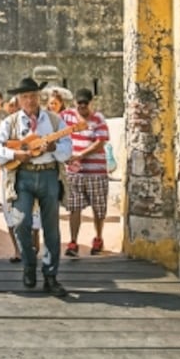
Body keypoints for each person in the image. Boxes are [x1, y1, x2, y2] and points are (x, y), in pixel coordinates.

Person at [0, 77, 72, 297]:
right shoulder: (11, 122)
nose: (30, 100)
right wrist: (15, 154)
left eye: (33, 95)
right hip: (22, 177)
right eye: (25, 96)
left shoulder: (54, 121)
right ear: (19, 99)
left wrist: (53, 148)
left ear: (39, 97)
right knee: (20, 222)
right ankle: (29, 265)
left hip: (49, 175)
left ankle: (51, 276)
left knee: (51, 226)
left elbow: (67, 151)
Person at [62, 89, 110, 256]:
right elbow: (59, 134)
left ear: (91, 103)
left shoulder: (98, 119)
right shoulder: (66, 117)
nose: (82, 106)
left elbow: (101, 141)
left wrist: (81, 155)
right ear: (75, 102)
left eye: (85, 103)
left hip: (95, 172)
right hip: (74, 172)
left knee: (98, 207)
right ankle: (73, 242)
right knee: (74, 207)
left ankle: (98, 237)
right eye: (79, 103)